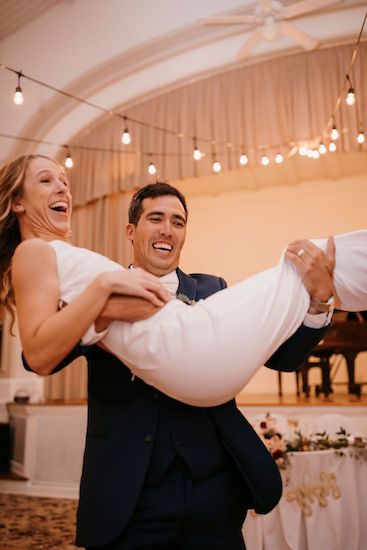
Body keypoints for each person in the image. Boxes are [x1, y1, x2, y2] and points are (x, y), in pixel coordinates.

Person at [0, 154, 364, 548]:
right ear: (131, 230)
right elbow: (38, 354)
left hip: (212, 488)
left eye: (178, 222)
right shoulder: (93, 279)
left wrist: (320, 303)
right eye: (156, 218)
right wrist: (103, 308)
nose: (168, 230)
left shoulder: (213, 289)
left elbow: (283, 358)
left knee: (300, 271)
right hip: (132, 491)